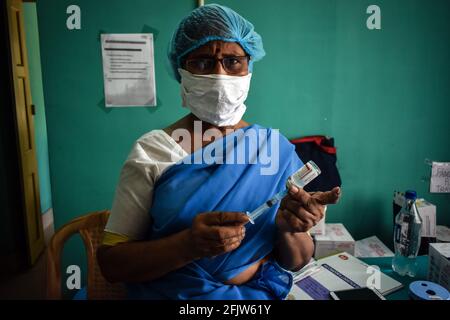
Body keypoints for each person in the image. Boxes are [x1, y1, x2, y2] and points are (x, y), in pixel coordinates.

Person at [97, 3, 341, 300]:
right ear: (181, 71)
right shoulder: (153, 152)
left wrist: (290, 229)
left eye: (233, 61)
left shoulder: (273, 150)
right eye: (202, 62)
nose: (219, 75)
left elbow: (299, 261)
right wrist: (186, 246)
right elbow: (112, 264)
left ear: (249, 67)